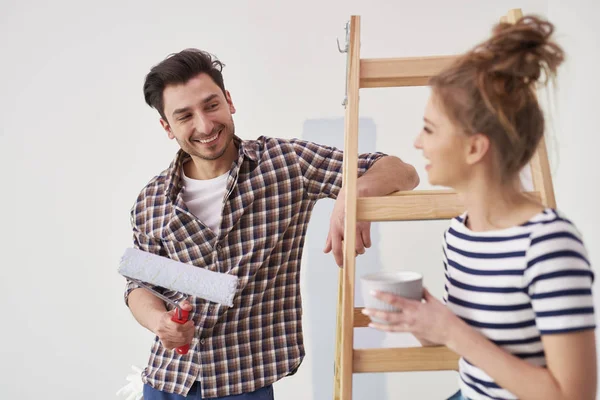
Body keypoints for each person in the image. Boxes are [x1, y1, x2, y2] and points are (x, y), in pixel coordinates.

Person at [123, 48, 419, 399]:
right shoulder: (152, 200)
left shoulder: (285, 164)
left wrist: (350, 195)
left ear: (229, 101)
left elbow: (403, 172)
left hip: (244, 383)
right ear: (167, 127)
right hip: (167, 382)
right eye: (185, 115)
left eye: (211, 105)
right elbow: (138, 285)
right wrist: (160, 322)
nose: (204, 125)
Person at [362, 15, 597, 400]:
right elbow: (467, 345)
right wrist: (422, 322)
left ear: (475, 147)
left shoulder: (550, 244)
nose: (417, 143)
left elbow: (574, 396)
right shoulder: (460, 233)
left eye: (430, 128)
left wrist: (449, 330)